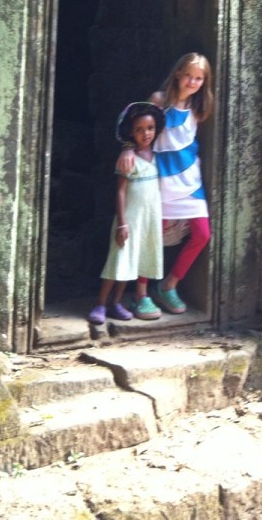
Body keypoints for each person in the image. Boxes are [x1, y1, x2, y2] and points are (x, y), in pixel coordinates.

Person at [118, 52, 214, 314]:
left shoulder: (198, 108)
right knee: (151, 237)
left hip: (190, 182)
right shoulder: (159, 100)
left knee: (202, 234)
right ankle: (140, 293)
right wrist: (128, 149)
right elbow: (137, 125)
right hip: (159, 180)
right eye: (189, 76)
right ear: (178, 74)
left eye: (199, 78)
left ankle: (168, 286)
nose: (192, 82)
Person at [88, 101, 166, 325]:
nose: (146, 134)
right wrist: (122, 223)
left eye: (150, 128)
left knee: (131, 264)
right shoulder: (127, 159)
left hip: (147, 220)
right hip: (129, 220)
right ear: (131, 132)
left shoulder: (157, 155)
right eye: (139, 130)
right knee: (118, 261)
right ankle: (101, 303)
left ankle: (116, 303)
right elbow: (120, 192)